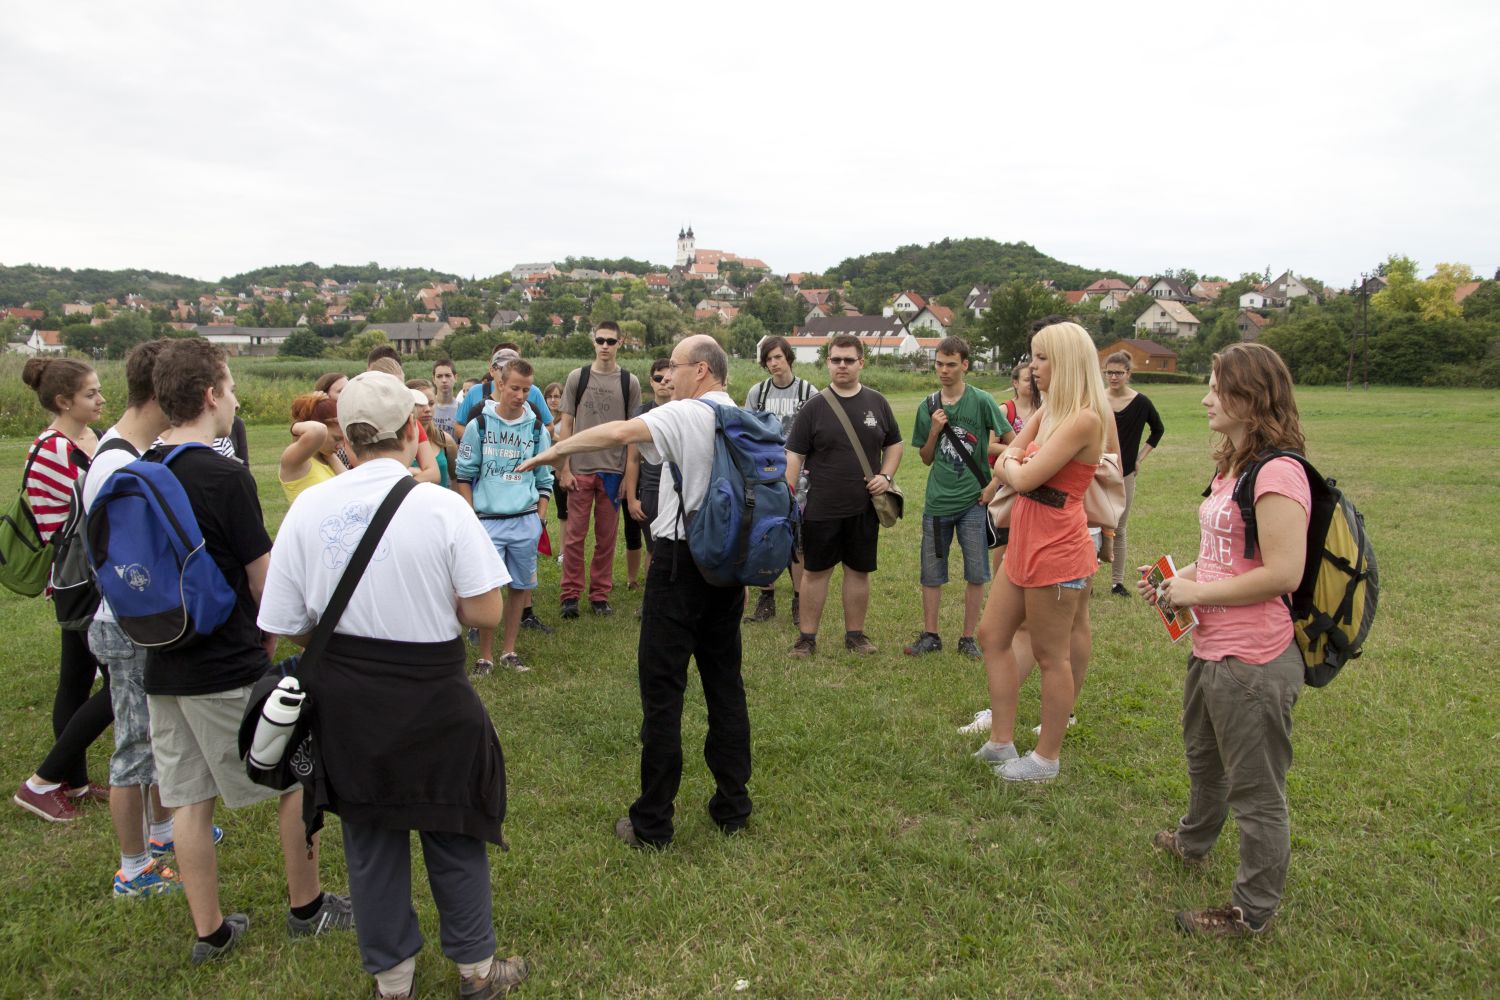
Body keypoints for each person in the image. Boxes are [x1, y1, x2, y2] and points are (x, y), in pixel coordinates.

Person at [259, 370, 527, 998]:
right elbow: (486, 611)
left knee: (371, 839)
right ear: (411, 429)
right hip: (434, 694)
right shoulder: (442, 506)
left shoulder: (309, 508)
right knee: (454, 826)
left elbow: (286, 622)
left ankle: (393, 983)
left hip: (349, 702)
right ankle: (477, 973)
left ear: (345, 438)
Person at [141, 338, 352, 964]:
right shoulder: (222, 475)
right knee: (297, 775)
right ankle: (308, 907)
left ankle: (210, 932)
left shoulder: (143, 466)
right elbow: (266, 583)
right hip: (225, 660)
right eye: (230, 388)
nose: (233, 399)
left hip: (163, 661)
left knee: (188, 798)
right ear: (211, 395)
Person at [518, 335, 751, 850]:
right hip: (727, 564)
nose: (669, 374)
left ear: (702, 370)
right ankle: (733, 807)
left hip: (679, 566)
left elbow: (619, 430)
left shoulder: (687, 413)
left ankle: (652, 823)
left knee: (663, 695)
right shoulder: (737, 413)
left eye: (677, 365)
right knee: (725, 687)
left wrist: (554, 451)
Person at [1139, 342, 1310, 937]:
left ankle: (1250, 912)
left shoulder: (1278, 472)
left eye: (1217, 387)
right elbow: (1226, 558)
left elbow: (1283, 573)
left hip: (1253, 660)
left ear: (1251, 396)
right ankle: (1193, 841)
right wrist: (1177, 581)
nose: (1206, 399)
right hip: (1211, 648)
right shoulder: (1232, 466)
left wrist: (1198, 592)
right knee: (1204, 759)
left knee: (1257, 793)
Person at [81, 339, 195, 896]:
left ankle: (162, 833)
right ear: (158, 392)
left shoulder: (130, 451)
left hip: (142, 622)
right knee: (132, 747)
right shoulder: (118, 464)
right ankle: (133, 867)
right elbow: (133, 567)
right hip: (129, 625)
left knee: (154, 736)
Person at [975, 321, 1108, 783]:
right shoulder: (1050, 410)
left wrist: (1015, 464)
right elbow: (1004, 459)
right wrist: (1015, 463)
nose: (1033, 366)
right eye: (1033, 356)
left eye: (1043, 357)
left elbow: (1022, 474)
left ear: (1067, 362)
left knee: (1052, 655)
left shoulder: (1084, 419)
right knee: (992, 634)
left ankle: (1046, 759)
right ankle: (1001, 741)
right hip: (1026, 540)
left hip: (1058, 548)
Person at [12, 357, 113, 823]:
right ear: (63, 401)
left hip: (90, 578)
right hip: (79, 582)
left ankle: (73, 782)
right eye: (91, 394)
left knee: (75, 680)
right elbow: (59, 525)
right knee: (121, 684)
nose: (101, 399)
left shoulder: (92, 437)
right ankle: (42, 781)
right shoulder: (52, 449)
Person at [783, 335, 902, 658]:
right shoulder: (814, 407)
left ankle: (856, 636)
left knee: (858, 571)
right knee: (815, 572)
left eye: (849, 360)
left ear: (861, 363)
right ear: (828, 362)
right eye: (836, 359)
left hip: (863, 506)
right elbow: (794, 455)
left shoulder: (877, 402)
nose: (842, 365)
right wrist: (787, 497)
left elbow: (894, 443)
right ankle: (806, 639)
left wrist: (885, 476)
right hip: (822, 506)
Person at [906, 336, 1005, 658]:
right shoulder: (928, 406)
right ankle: (931, 634)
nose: (944, 371)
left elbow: (1014, 443)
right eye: (939, 364)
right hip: (937, 504)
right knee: (931, 572)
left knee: (976, 572)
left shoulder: (982, 400)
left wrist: (994, 484)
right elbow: (925, 458)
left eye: (951, 364)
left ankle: (967, 637)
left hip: (974, 503)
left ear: (965, 365)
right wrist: (934, 431)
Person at [455, 359, 554, 674]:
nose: (521, 396)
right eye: (514, 388)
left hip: (525, 520)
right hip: (488, 520)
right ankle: (484, 656)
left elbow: (544, 479)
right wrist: (472, 515)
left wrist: (539, 517)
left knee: (519, 588)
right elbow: (464, 474)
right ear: (500, 384)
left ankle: (508, 651)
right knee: (488, 589)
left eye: (527, 389)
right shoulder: (479, 425)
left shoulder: (537, 429)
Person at [555, 322, 641, 618]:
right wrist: (564, 467)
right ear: (593, 342)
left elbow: (633, 432)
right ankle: (570, 595)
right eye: (600, 340)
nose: (605, 346)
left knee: (606, 539)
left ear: (620, 344)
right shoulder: (577, 377)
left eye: (611, 341)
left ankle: (599, 595)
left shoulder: (629, 382)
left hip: (612, 472)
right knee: (574, 537)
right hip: (580, 468)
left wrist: (628, 478)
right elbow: (566, 425)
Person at [742, 336, 816, 625]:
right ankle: (766, 598)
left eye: (778, 357)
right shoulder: (758, 392)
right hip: (766, 477)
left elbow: (817, 435)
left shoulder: (808, 391)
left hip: (801, 478)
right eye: (768, 359)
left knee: (798, 540)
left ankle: (799, 599)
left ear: (788, 358)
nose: (773, 364)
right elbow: (747, 432)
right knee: (765, 536)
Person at [1102, 351, 1165, 597]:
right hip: (1097, 471)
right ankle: (1085, 582)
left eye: (1118, 373)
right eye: (1109, 372)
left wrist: (1140, 458)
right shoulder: (1097, 399)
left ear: (1128, 373)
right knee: (1092, 527)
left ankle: (1116, 582)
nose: (1113, 377)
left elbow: (1158, 430)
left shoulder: (1141, 403)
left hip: (1125, 473)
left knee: (1119, 528)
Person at [621, 358, 673, 590]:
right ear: (651, 382)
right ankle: (651, 600)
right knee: (653, 548)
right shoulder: (641, 414)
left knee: (678, 547)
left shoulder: (683, 409)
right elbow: (633, 459)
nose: (663, 382)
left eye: (667, 378)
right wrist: (632, 499)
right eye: (658, 378)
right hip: (651, 488)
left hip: (678, 489)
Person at [277, 391, 346, 505]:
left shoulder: (328, 458)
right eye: (336, 438)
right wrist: (295, 426)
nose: (341, 446)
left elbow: (349, 483)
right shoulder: (295, 462)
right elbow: (317, 430)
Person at [408, 378, 458, 489]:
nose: (427, 409)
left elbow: (456, 479)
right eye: (419, 404)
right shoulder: (398, 443)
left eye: (431, 403)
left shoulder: (445, 440)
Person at [430, 358, 460, 441]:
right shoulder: (426, 407)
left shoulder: (461, 409)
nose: (444, 380)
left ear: (455, 377)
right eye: (439, 376)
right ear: (434, 379)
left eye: (448, 375)